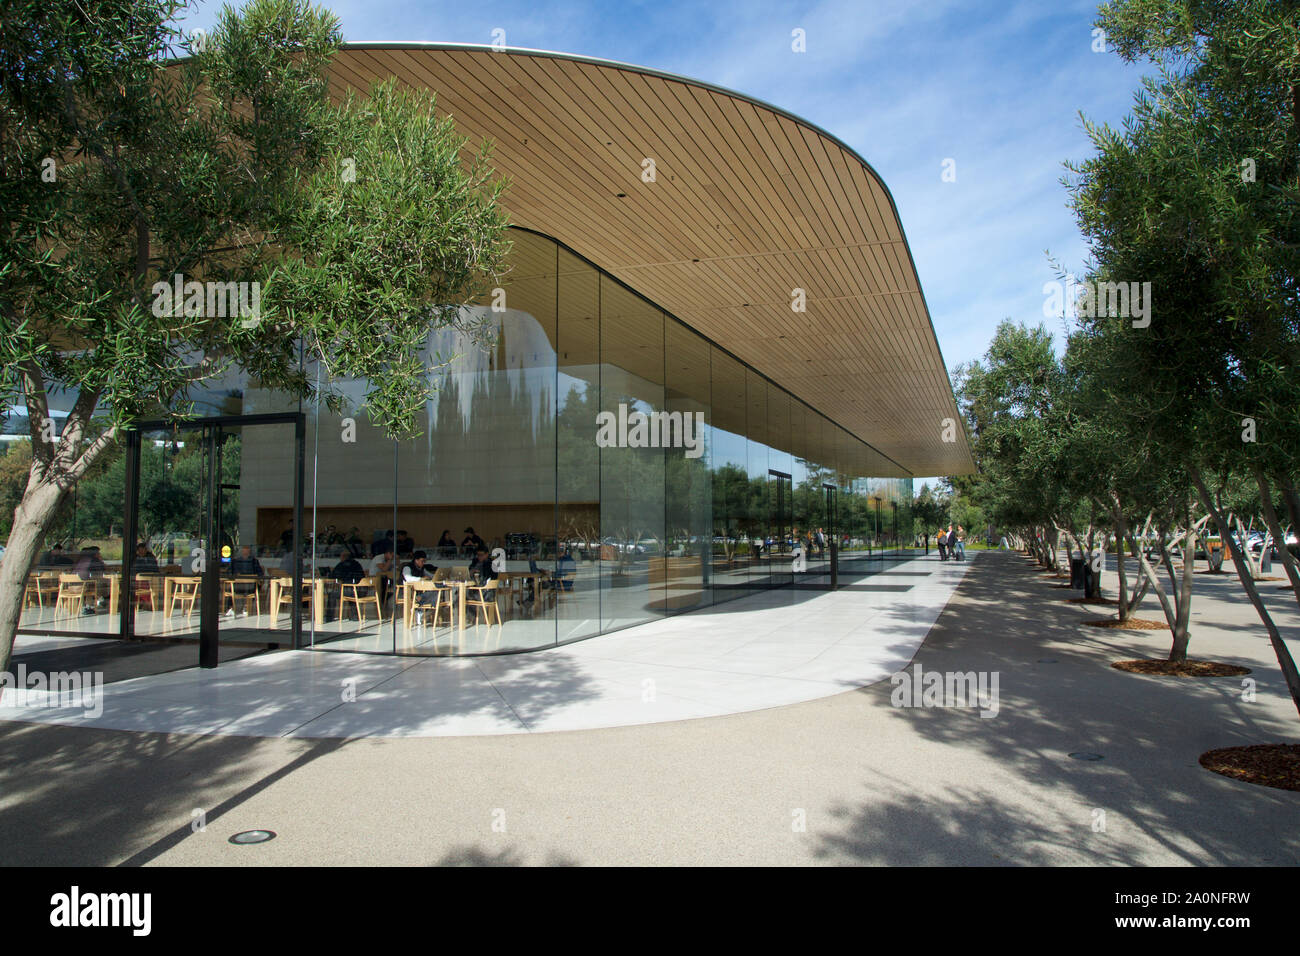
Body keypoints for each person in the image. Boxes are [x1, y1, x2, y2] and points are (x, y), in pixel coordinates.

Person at [227, 545, 265, 617]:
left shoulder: (254, 561)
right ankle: (230, 608)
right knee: (230, 589)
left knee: (256, 588)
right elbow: (229, 572)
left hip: (250, 585)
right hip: (238, 585)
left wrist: (254, 577)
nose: (245, 552)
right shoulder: (235, 561)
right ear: (241, 552)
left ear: (249, 552)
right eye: (244, 550)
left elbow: (260, 573)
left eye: (247, 551)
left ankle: (246, 607)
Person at [402, 550, 440, 623]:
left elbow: (430, 576)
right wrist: (420, 579)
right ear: (416, 560)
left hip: (418, 591)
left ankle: (421, 603)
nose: (423, 563)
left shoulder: (422, 568)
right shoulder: (407, 567)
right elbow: (408, 578)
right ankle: (421, 605)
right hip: (409, 591)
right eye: (422, 561)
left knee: (436, 589)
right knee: (431, 592)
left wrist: (437, 577)